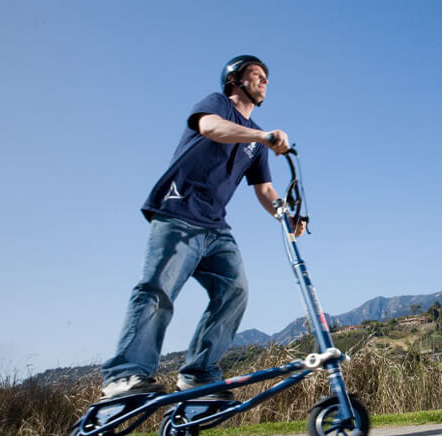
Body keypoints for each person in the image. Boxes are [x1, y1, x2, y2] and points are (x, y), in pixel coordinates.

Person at [101, 55, 306, 400]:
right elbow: (211, 128)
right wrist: (264, 134)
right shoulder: (218, 105)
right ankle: (124, 375)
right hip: (178, 211)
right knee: (158, 290)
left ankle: (197, 375)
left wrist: (286, 217)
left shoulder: (258, 146)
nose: (264, 81)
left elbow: (265, 190)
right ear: (235, 81)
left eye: (267, 78)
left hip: (215, 227)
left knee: (234, 291)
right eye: (256, 75)